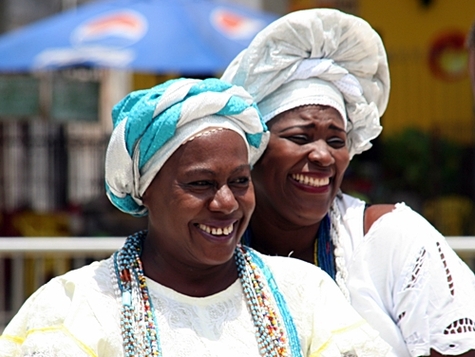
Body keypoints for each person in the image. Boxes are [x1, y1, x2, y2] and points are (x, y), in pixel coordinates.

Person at [0, 77, 391, 356]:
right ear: (146, 191)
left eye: (239, 181)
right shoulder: (78, 306)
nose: (226, 203)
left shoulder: (304, 294)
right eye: (201, 184)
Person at [221, 8, 475, 357]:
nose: (323, 156)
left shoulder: (390, 241)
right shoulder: (214, 251)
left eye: (337, 141)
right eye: (300, 137)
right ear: (254, 149)